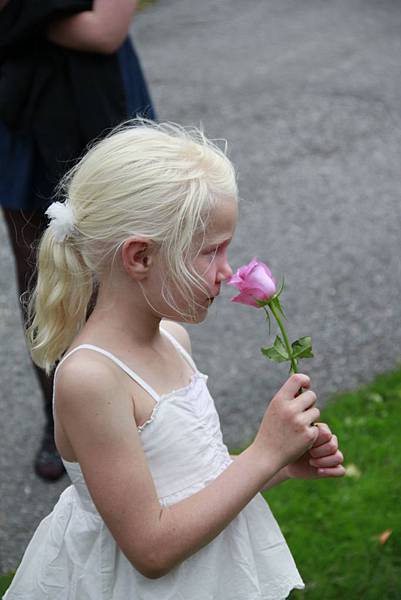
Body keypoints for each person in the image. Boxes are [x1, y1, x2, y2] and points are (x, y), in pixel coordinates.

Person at [4, 121, 345, 600]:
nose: (227, 272)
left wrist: (278, 465)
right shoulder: (91, 378)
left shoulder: (173, 338)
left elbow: (188, 478)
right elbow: (151, 549)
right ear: (140, 257)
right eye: (211, 252)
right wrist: (264, 451)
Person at [0, 0, 155, 480]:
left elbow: (102, 30)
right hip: (18, 106)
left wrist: (15, 19)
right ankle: (61, 415)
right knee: (39, 273)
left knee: (123, 267)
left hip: (99, 100)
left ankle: (139, 409)